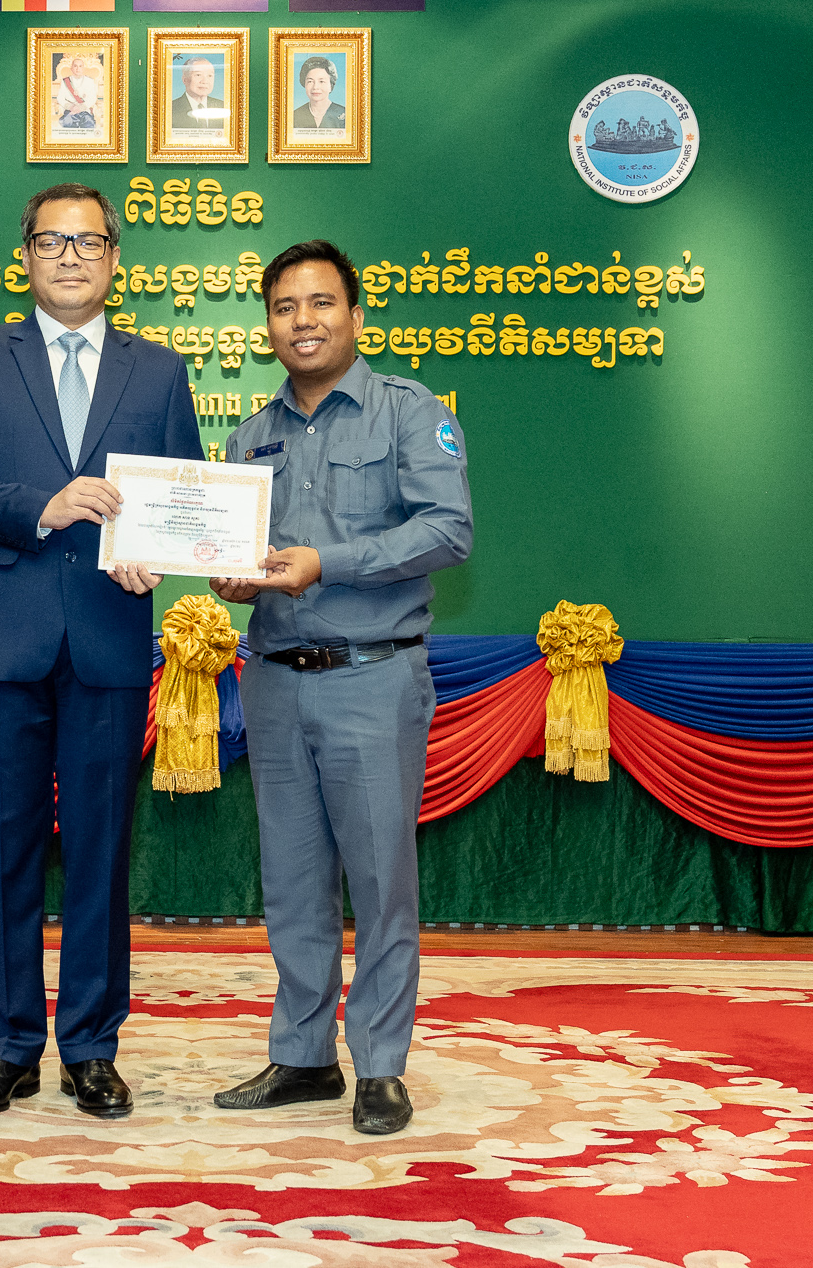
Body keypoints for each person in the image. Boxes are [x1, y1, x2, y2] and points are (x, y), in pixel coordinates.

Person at [0, 183, 205, 1119]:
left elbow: (183, 496)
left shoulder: (159, 370)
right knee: (1, 849)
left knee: (99, 852)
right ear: (26, 256)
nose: (71, 257)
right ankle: (7, 1045)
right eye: (52, 241)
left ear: (116, 257)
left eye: (88, 242)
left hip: (108, 636)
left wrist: (157, 554)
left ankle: (90, 1045)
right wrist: (40, 507)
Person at [208, 239, 472, 1136]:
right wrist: (234, 579)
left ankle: (382, 1066)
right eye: (285, 307)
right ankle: (304, 1055)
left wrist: (330, 561)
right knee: (291, 882)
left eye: (321, 303)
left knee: (379, 879)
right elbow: (244, 559)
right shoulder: (250, 437)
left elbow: (448, 529)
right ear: (267, 325)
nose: (303, 321)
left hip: (372, 676)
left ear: (356, 315)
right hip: (275, 681)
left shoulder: (409, 411)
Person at [169, 57, 226, 131]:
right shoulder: (171, 109)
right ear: (185, 80)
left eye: (210, 76)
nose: (205, 81)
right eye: (198, 75)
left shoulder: (222, 107)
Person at [291, 57, 346, 131]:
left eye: (321, 81)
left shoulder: (345, 114)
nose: (315, 87)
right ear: (304, 84)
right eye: (310, 81)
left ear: (331, 85)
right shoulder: (295, 116)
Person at [54, 58, 101, 132]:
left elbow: (93, 98)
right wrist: (71, 107)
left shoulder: (89, 81)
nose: (77, 69)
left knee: (89, 123)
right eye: (75, 66)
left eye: (80, 66)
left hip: (84, 111)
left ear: (83, 68)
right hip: (70, 111)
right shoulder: (65, 81)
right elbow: (60, 98)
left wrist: (81, 107)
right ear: (71, 68)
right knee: (66, 123)